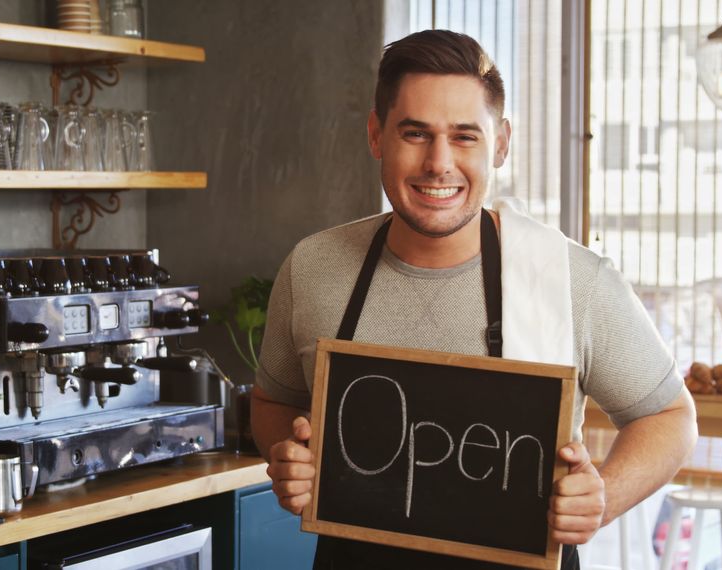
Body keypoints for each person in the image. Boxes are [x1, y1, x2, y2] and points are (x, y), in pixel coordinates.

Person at [250, 29, 698, 569]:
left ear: (501, 144)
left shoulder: (574, 280)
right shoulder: (314, 267)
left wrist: (600, 498)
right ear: (376, 135)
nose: (439, 163)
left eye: (465, 136)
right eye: (415, 133)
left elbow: (670, 416)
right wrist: (288, 456)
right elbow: (275, 400)